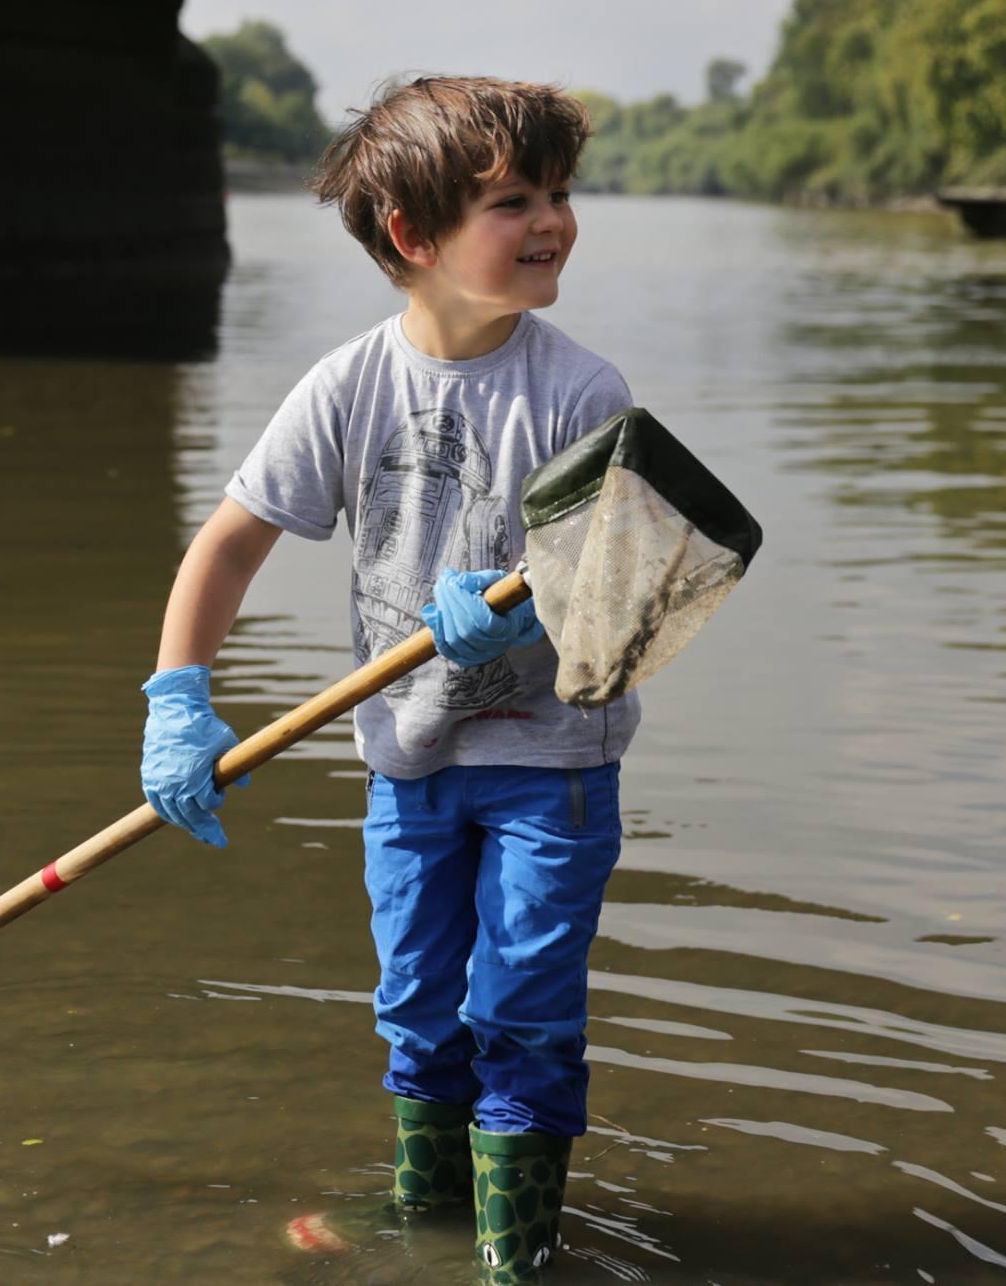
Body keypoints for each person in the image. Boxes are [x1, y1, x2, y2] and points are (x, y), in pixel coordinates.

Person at [140, 75, 637, 1284]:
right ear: (410, 238)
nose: (552, 221)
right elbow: (229, 542)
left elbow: (616, 611)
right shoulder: (347, 386)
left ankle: (513, 1255)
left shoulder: (581, 393)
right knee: (417, 1006)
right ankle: (426, 1216)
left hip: (548, 767)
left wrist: (520, 623)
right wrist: (178, 701)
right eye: (514, 200)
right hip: (404, 764)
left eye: (558, 194)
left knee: (518, 1008)